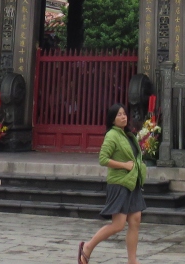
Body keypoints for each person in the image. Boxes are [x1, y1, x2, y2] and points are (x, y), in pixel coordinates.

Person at [79, 103, 146, 264]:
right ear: (112, 120)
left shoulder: (128, 135)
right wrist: (124, 165)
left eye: (124, 114)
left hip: (133, 182)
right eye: (119, 115)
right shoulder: (112, 135)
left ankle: (132, 261)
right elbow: (103, 159)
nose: (123, 117)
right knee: (118, 225)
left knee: (135, 220)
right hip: (119, 183)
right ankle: (87, 247)